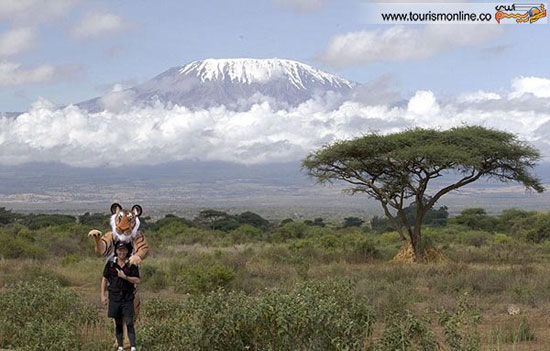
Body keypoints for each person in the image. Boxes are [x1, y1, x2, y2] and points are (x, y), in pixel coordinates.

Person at [101, 241, 140, 351]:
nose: (122, 252)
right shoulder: (111, 264)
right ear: (116, 251)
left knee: (129, 322)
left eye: (124, 250)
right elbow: (104, 279)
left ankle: (133, 347)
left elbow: (138, 280)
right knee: (118, 323)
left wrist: (125, 277)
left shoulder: (132, 264)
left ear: (127, 251)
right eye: (120, 250)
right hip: (114, 298)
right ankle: (120, 346)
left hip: (127, 298)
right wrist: (102, 295)